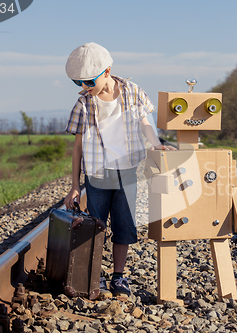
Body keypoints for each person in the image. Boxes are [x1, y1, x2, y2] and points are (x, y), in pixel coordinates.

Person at [63, 42, 174, 297]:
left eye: (89, 81)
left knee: (124, 227)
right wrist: (74, 187)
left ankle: (118, 277)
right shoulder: (83, 104)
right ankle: (94, 276)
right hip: (97, 175)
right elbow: (77, 147)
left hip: (127, 173)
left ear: (107, 71)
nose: (84, 87)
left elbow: (146, 123)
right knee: (96, 227)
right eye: (78, 83)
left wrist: (157, 145)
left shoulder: (132, 92)